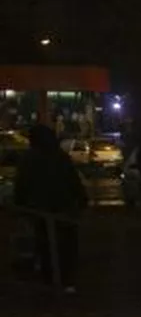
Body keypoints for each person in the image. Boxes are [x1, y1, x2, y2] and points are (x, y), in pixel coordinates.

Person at [14, 124, 88, 293]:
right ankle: (67, 280)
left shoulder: (29, 158)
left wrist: (21, 206)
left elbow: (22, 184)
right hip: (64, 207)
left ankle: (50, 280)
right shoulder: (60, 156)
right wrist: (82, 201)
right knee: (66, 246)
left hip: (41, 209)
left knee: (46, 245)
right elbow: (73, 181)